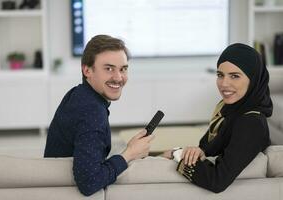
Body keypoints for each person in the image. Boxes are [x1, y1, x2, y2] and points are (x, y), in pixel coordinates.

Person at [44, 35, 154, 196]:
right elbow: (89, 182)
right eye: (109, 68)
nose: (118, 77)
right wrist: (130, 153)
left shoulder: (78, 93)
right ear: (87, 70)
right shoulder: (92, 111)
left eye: (123, 69)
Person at [162, 43, 273, 193]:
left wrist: (178, 154)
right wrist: (200, 152)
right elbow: (207, 146)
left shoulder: (251, 123)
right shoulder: (231, 109)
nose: (224, 84)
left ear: (253, 79)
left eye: (235, 76)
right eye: (220, 75)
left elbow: (217, 181)